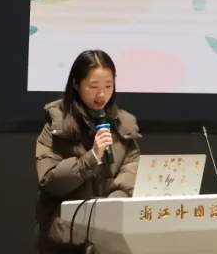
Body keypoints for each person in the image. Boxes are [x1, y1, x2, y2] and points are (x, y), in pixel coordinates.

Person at [35, 50, 141, 253]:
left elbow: (131, 171)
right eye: (93, 87)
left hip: (110, 238)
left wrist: (109, 210)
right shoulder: (56, 126)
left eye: (108, 86)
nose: (101, 94)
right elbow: (50, 181)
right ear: (76, 84)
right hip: (66, 239)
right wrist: (90, 158)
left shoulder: (124, 125)